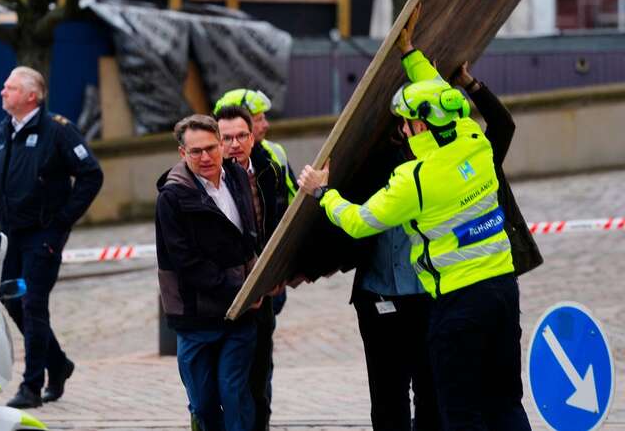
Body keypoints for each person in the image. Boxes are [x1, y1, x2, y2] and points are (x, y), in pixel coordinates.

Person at [297, 39, 532, 429]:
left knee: (459, 412)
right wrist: (410, 54)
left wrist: (323, 192)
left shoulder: (415, 179)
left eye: (405, 122)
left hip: (458, 303)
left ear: (419, 125)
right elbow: (441, 95)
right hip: (503, 291)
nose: (403, 130)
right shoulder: (473, 142)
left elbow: (358, 221)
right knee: (507, 401)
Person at [0, 66, 103, 409]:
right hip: (10, 235)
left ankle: (31, 387)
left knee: (33, 303)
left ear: (31, 95)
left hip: (44, 234)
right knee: (13, 301)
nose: (2, 92)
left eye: (9, 88)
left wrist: (64, 219)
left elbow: (90, 174)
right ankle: (58, 363)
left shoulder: (58, 131)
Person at [155, 114, 260, 431]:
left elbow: (251, 237)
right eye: (196, 151)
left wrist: (258, 283)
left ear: (222, 145)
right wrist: (237, 289)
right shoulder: (171, 198)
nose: (205, 157)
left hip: (239, 314)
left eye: (211, 148)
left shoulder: (238, 177)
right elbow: (186, 263)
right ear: (182, 153)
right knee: (202, 403)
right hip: (195, 316)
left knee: (235, 391)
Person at [214, 105, 286, 431]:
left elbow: (279, 224)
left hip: (262, 290)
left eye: (242, 135)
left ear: (252, 136)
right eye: (226, 138)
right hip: (220, 294)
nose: (235, 144)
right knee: (222, 386)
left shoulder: (269, 170)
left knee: (260, 377)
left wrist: (279, 272)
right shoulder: (207, 179)